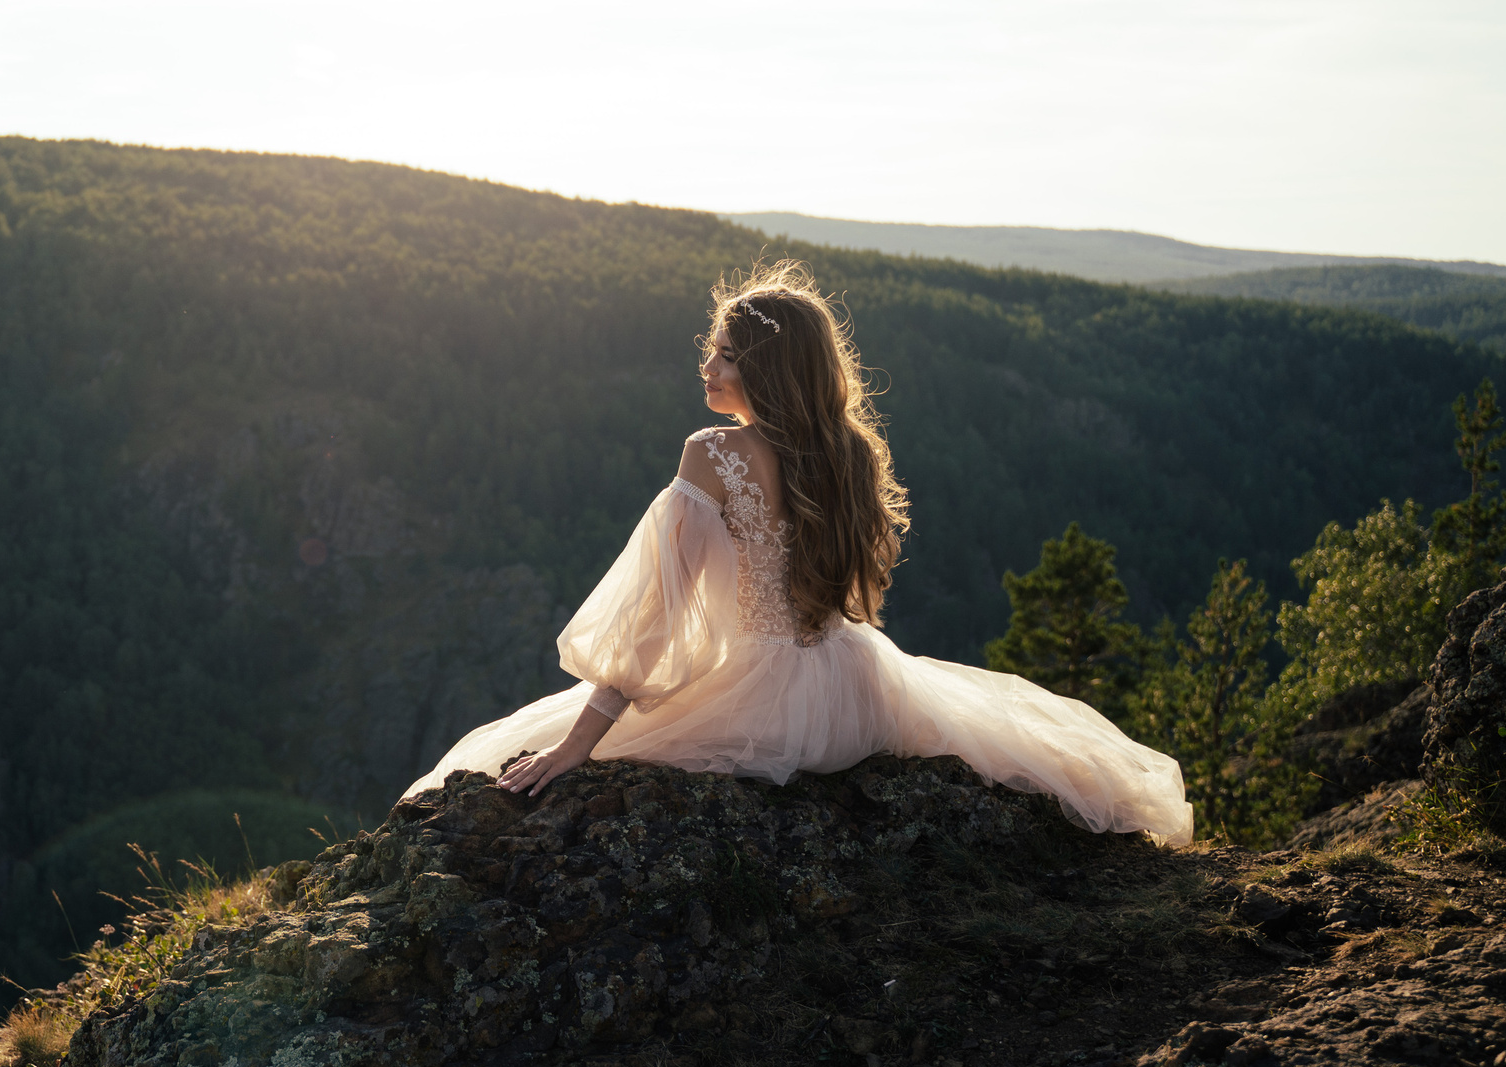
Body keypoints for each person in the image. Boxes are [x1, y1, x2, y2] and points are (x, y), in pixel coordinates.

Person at [405, 260, 1193, 845]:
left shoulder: (710, 454)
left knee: (508, 757)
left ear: (767, 367)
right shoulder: (850, 452)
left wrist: (581, 744)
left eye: (724, 354)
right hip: (853, 693)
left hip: (763, 704)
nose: (707, 366)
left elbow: (654, 618)